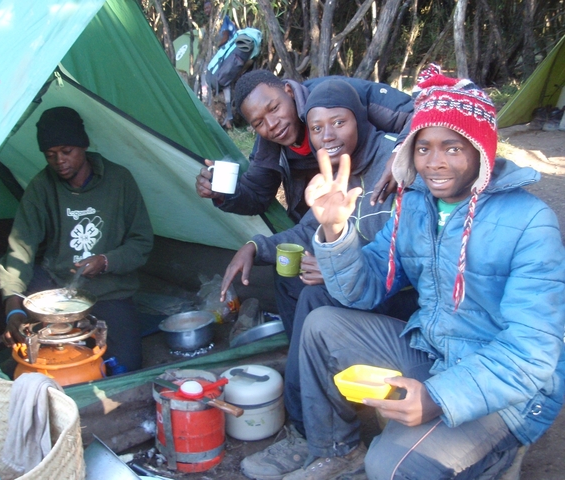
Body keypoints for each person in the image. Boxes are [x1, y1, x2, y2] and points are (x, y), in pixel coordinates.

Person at [277, 69, 565, 480]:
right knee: (322, 323)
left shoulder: (530, 222)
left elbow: (532, 354)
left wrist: (437, 397)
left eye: (452, 148)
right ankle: (336, 450)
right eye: (423, 148)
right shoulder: (415, 205)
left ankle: (495, 460)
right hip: (432, 352)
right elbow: (364, 288)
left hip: (508, 391)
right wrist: (336, 231)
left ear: (480, 150)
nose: (434, 163)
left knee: (390, 465)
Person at [236, 79, 418, 480]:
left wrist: (343, 263)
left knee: (316, 301)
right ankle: (318, 429)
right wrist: (257, 246)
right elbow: (307, 229)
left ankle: (316, 434)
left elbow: (408, 248)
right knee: (294, 281)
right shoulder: (338, 166)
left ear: (360, 120)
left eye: (338, 123)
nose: (328, 136)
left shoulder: (398, 161)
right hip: (373, 282)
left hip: (411, 297)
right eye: (317, 129)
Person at [0, 107, 154, 372]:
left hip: (108, 292)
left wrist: (106, 261)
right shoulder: (42, 186)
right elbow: (21, 248)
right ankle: (10, 338)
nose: (59, 161)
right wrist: (13, 309)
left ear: (83, 145)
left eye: (66, 151)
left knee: (126, 364)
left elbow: (141, 242)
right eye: (50, 155)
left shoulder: (119, 181)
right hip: (57, 287)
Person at [195, 69, 414, 223]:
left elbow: (418, 111)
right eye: (259, 123)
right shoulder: (271, 139)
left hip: (382, 200)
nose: (272, 124)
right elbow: (257, 196)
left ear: (289, 92)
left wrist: (399, 153)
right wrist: (222, 194)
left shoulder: (338, 94)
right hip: (323, 219)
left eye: (274, 108)